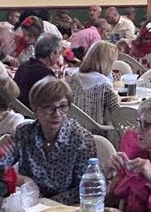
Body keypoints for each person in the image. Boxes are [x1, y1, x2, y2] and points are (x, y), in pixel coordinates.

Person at [7, 76, 96, 204]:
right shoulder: (24, 132)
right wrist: (20, 180)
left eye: (63, 106)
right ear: (35, 108)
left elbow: (86, 188)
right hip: (28, 205)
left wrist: (46, 203)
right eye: (48, 107)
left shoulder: (81, 139)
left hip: (67, 208)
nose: (57, 113)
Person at [67, 40, 122, 128]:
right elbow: (117, 113)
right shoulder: (103, 84)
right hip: (96, 131)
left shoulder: (74, 76)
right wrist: (118, 99)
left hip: (72, 128)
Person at [13, 33, 61, 105]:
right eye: (59, 53)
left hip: (18, 110)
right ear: (52, 54)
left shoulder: (23, 66)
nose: (59, 56)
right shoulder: (47, 75)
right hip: (33, 114)